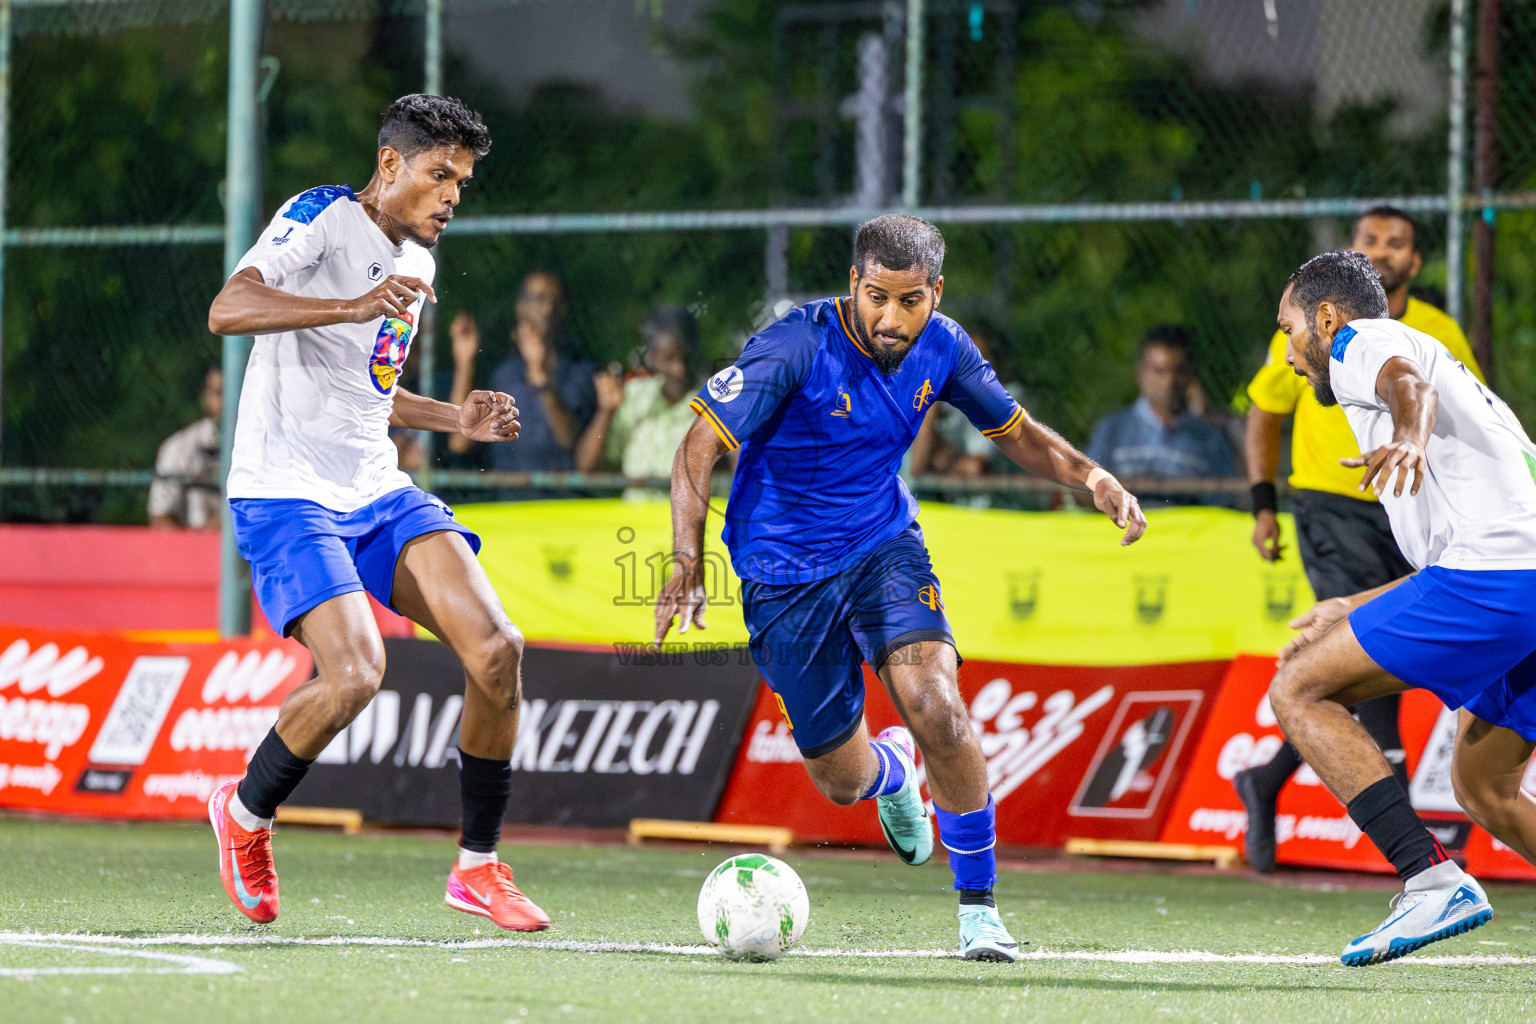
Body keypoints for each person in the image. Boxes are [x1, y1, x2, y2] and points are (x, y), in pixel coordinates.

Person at [655, 215, 1147, 962]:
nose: (892, 318)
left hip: (883, 547)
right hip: (780, 574)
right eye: (877, 297)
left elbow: (1012, 429)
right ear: (854, 283)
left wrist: (1092, 476)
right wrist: (685, 561)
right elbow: (697, 447)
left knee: (938, 707)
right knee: (839, 780)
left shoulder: (944, 345)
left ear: (935, 292)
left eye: (910, 300)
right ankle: (890, 770)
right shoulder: (794, 345)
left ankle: (979, 910)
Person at [205, 94, 549, 932]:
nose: (450, 197)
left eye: (461, 184)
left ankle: (477, 868)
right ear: (391, 166)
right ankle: (246, 814)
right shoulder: (320, 216)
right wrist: (348, 306)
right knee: (357, 673)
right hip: (285, 487)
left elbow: (373, 394)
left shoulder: (418, 268)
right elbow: (229, 309)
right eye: (439, 176)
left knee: (499, 651)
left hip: (373, 486)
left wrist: (454, 419)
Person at [1265, 248, 1536, 964]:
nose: (1290, 352)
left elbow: (1406, 387)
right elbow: (1456, 547)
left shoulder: (1363, 341)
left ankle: (1429, 880)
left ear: (1326, 317)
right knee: (1486, 785)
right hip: (1515, 577)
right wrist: (1352, 602)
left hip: (1500, 579)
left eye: (1290, 329)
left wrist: (1409, 437)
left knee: (1298, 689)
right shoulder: (1447, 369)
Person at [1236, 206, 1487, 873]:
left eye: (1395, 242)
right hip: (1330, 506)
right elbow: (1264, 414)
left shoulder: (1383, 335)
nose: (1381, 249)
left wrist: (1408, 438)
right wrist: (1264, 503)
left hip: (1408, 507)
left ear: (1415, 261)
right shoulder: (1322, 331)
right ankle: (1420, 864)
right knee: (1356, 662)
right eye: (1369, 239)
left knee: (1347, 670)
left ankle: (1271, 783)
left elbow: (1417, 389)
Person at [447, 271, 595, 476]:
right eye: (538, 299)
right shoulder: (503, 375)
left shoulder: (580, 372)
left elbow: (570, 442)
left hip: (561, 503)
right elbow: (459, 442)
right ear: (520, 308)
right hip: (509, 503)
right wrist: (465, 362)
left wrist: (540, 374)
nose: (547, 309)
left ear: (564, 311)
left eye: (555, 301)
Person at [1085, 326, 1237, 504]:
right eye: (1159, 371)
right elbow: (1086, 492)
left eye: (1178, 371)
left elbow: (1225, 504)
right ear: (1141, 373)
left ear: (1189, 375)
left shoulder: (1210, 439)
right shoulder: (1112, 429)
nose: (1169, 381)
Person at [575, 305, 701, 487]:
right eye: (670, 358)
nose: (680, 368)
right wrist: (606, 411)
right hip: (635, 513)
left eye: (685, 357)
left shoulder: (711, 401)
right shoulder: (634, 395)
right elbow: (586, 467)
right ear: (652, 356)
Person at [147, 366, 224, 530]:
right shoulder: (179, 447)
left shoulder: (272, 446)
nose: (230, 401)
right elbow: (160, 516)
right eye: (220, 393)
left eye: (238, 390)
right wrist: (198, 546)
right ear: (205, 398)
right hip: (192, 549)